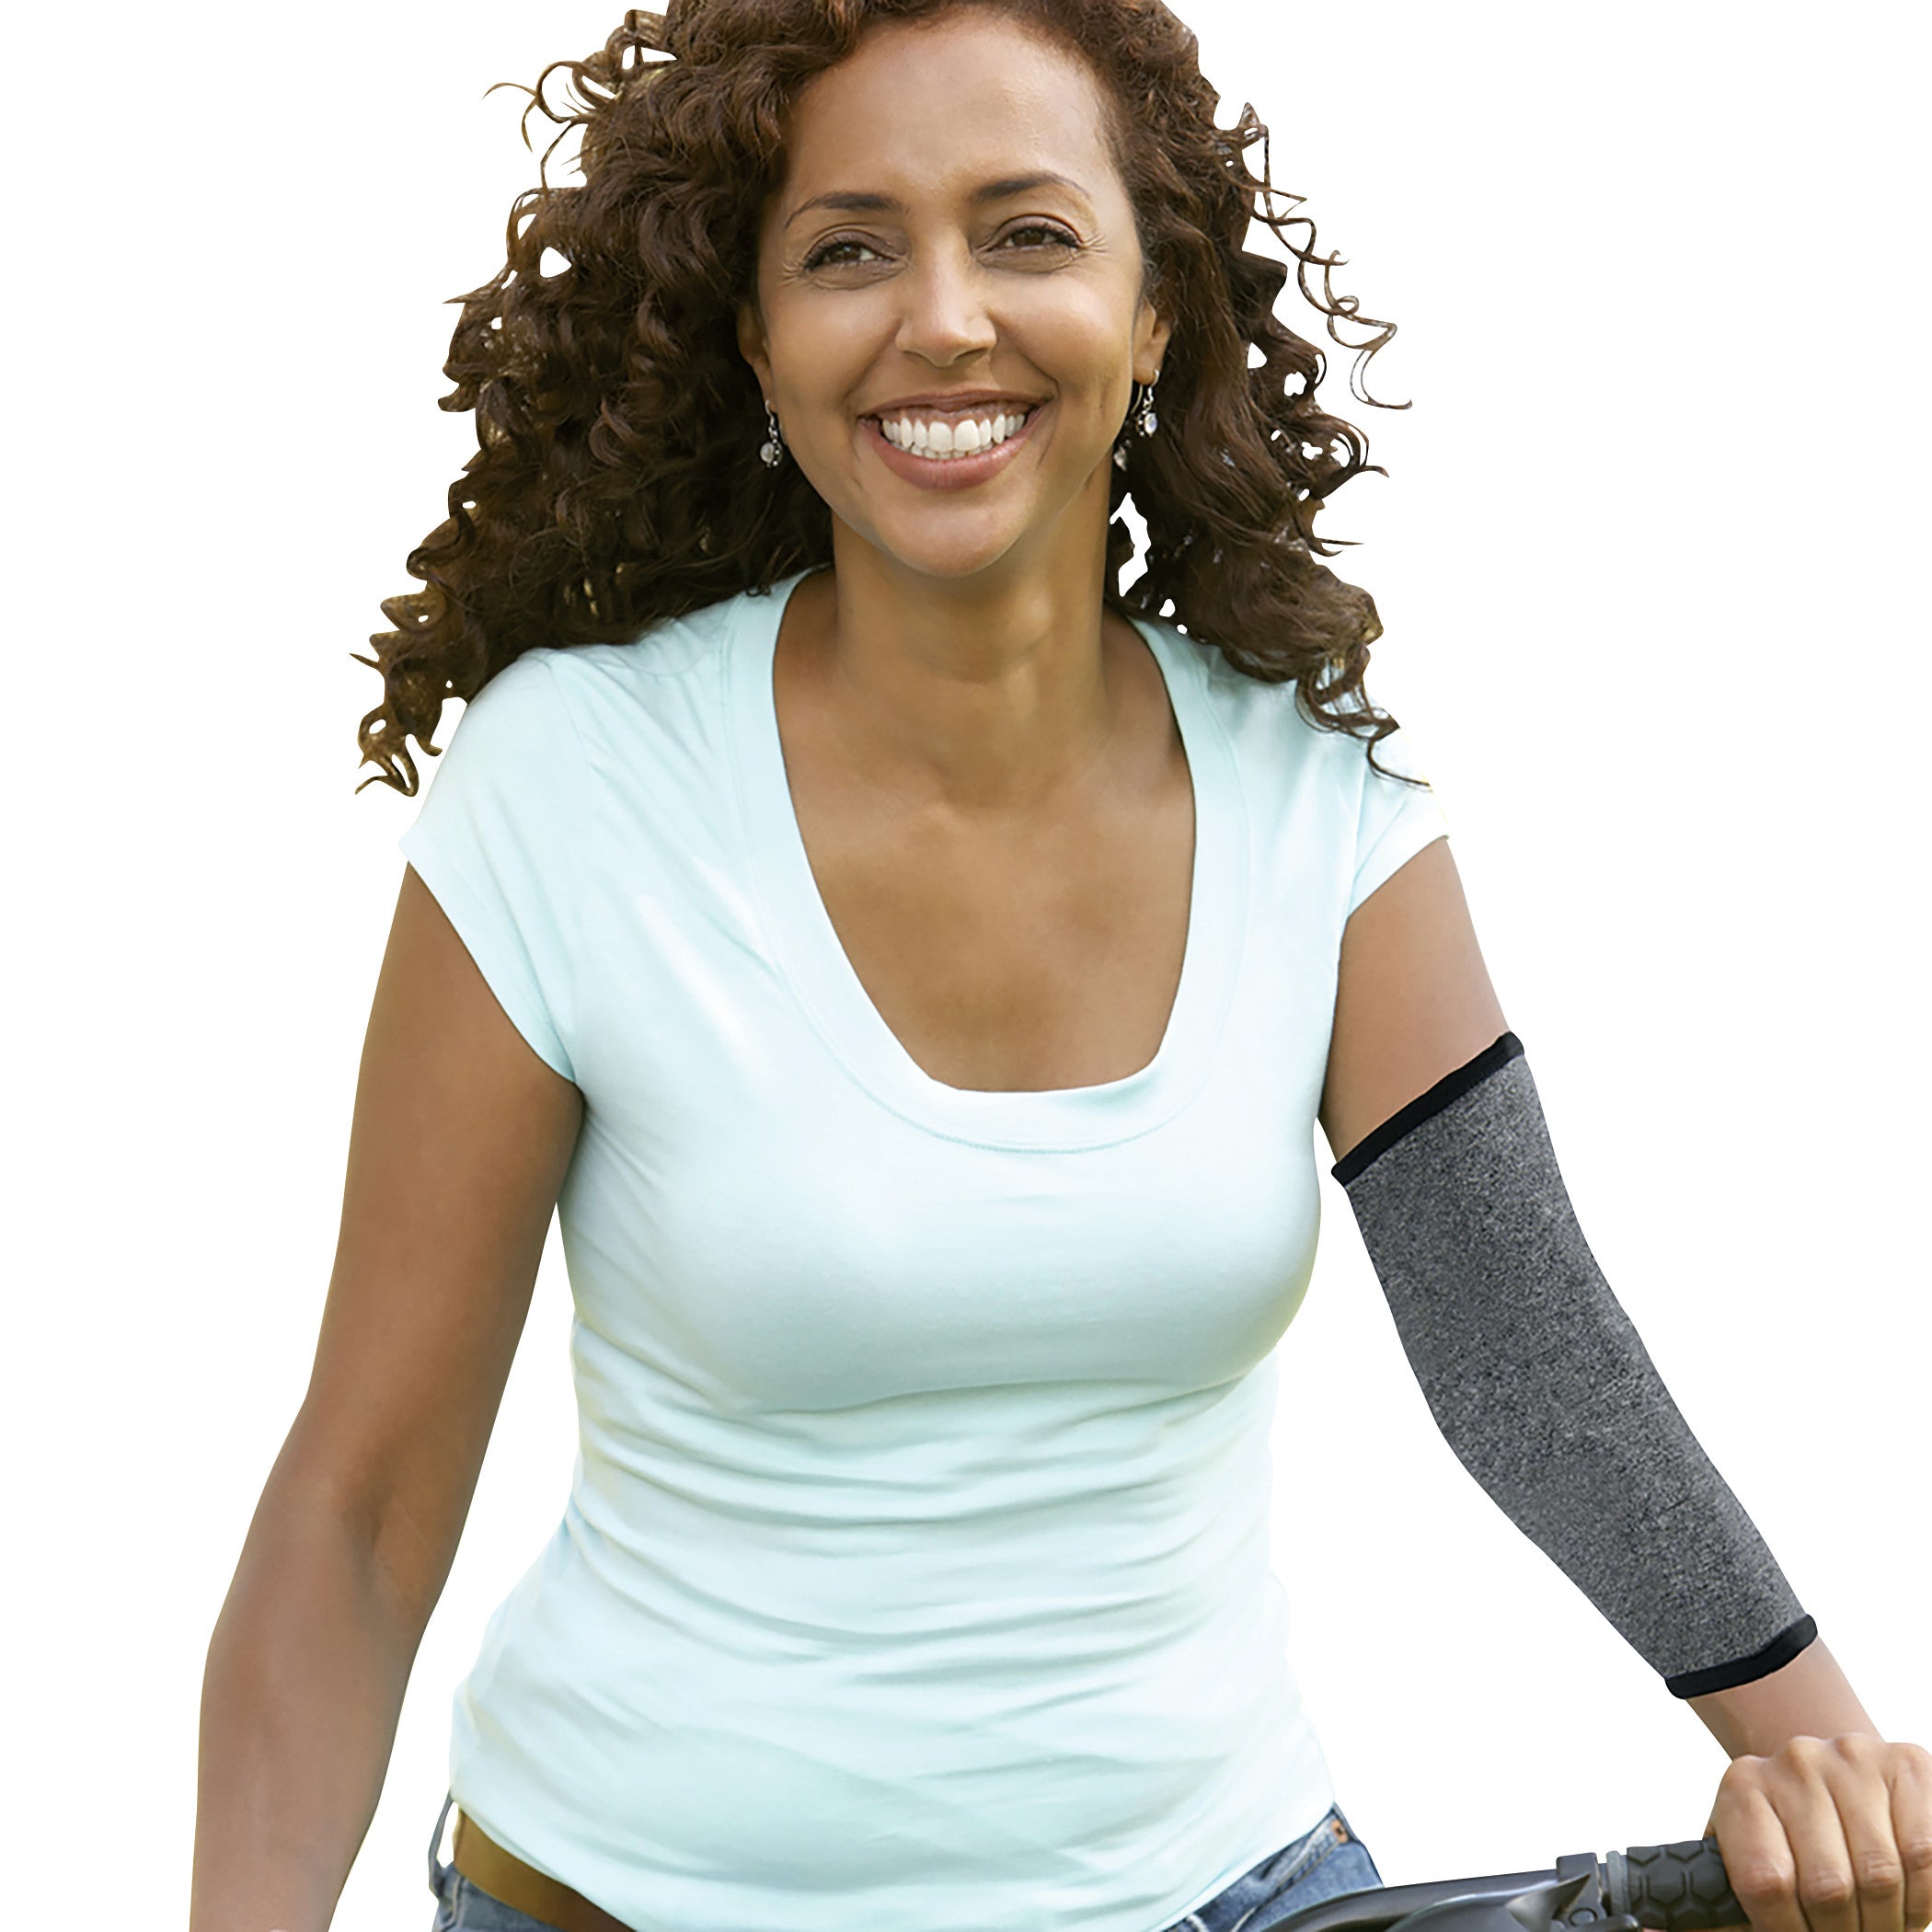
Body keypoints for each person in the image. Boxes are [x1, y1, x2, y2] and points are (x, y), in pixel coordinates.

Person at [190, 4, 1932, 1931]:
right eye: (851, 248)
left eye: (1027, 233)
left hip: (1223, 1896)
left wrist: (1850, 1795)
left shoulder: (1323, 813)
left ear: (1157, 307)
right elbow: (354, 1521)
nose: (944, 318)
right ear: (758, 339)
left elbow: (1531, 1359)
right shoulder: (575, 787)